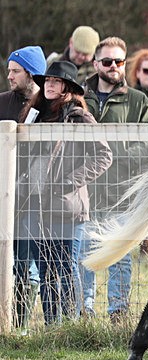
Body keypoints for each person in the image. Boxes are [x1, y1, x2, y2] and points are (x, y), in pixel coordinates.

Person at [18, 61, 111, 324]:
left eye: (56, 81)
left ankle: (70, 326)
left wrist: (68, 182)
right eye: (47, 81)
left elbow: (104, 155)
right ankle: (51, 325)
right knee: (46, 269)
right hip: (35, 204)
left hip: (68, 207)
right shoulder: (33, 114)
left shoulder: (78, 116)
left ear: (67, 87)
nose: (49, 85)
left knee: (67, 268)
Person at [81, 36, 148, 321]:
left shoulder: (138, 101)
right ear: (95, 63)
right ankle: (84, 311)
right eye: (108, 61)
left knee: (121, 257)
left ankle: (118, 312)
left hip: (123, 191)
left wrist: (115, 152)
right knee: (85, 255)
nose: (114, 66)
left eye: (119, 61)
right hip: (86, 190)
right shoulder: (80, 98)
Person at [3, 46, 47, 333]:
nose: (9, 76)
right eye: (8, 70)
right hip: (6, 195)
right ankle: (8, 322)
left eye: (15, 71)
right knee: (11, 265)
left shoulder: (48, 107)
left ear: (31, 73)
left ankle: (22, 325)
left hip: (39, 198)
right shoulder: (2, 103)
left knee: (32, 267)